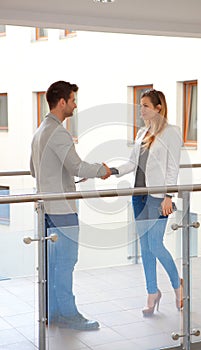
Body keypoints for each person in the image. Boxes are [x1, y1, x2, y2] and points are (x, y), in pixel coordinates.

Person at [30, 80, 111, 330]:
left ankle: (52, 312)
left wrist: (64, 177)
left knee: (53, 264)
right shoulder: (59, 132)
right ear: (62, 102)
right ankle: (68, 314)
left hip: (46, 209)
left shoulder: (40, 130)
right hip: (63, 210)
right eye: (73, 100)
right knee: (66, 262)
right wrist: (102, 170)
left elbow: (34, 169)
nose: (75, 105)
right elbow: (77, 165)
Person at [111, 89, 183, 317]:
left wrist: (169, 197)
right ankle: (152, 293)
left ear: (158, 107)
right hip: (138, 195)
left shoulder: (171, 133)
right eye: (140, 105)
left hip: (159, 197)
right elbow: (132, 164)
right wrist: (112, 170)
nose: (140, 110)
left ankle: (178, 285)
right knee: (145, 247)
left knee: (155, 244)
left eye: (145, 106)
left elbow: (173, 167)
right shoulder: (142, 132)